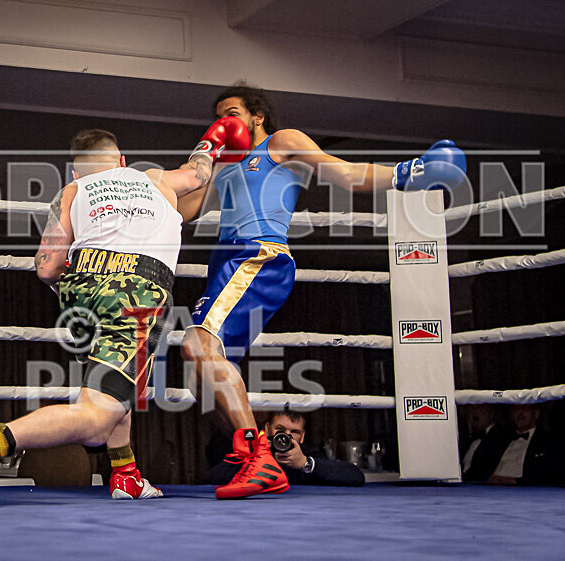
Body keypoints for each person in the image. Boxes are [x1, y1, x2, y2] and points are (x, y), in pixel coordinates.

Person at [180, 84, 467, 499]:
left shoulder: (282, 143)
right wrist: (202, 156)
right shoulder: (227, 162)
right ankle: (252, 458)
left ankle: (259, 459)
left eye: (232, 113)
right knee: (201, 380)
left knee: (196, 345)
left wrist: (412, 171)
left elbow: (345, 173)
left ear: (257, 116)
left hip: (258, 255)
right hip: (224, 265)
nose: (224, 122)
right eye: (218, 116)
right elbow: (184, 212)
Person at [0, 127, 240, 507]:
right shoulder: (154, 179)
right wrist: (213, 140)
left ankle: (126, 473)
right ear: (121, 161)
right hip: (137, 291)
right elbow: (199, 173)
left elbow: (47, 267)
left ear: (76, 172)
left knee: (115, 388)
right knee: (98, 416)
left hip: (81, 292)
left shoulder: (72, 192)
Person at [209, 410, 365, 486]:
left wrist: (305, 464)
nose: (286, 437)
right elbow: (211, 477)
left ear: (302, 437)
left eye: (294, 432)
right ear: (268, 429)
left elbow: (356, 476)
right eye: (280, 430)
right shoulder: (255, 451)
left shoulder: (308, 455)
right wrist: (252, 455)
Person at [486, 404, 565, 486]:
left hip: (522, 491)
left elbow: (552, 476)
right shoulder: (500, 439)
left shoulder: (548, 442)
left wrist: (515, 481)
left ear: (536, 414)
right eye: (516, 409)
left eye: (524, 408)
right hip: (491, 488)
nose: (520, 412)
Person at [461, 404, 508, 481]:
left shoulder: (498, 437)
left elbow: (483, 471)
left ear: (491, 413)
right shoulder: (470, 438)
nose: (473, 412)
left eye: (477, 408)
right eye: (472, 409)